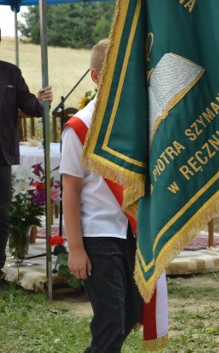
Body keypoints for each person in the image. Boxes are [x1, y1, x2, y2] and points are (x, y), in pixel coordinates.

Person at [60, 39, 142, 351]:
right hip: (97, 234)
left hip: (129, 232)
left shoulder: (133, 121)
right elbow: (70, 191)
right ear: (95, 77)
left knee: (133, 311)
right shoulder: (79, 126)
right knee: (110, 319)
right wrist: (75, 248)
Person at [0, 29, 53, 289]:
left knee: (1, 213)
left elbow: (27, 104)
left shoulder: (10, 72)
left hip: (3, 155)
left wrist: (41, 102)